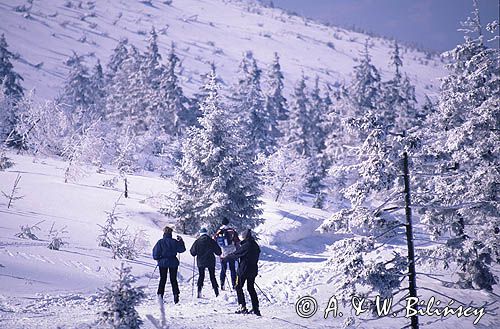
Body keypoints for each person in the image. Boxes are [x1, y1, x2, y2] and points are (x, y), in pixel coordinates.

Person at [224, 228, 261, 316]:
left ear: (245, 237)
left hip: (243, 270)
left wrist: (226, 258)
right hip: (253, 270)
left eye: (242, 237)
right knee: (250, 288)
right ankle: (256, 309)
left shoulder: (246, 245)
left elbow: (237, 253)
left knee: (238, 287)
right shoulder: (255, 245)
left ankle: (242, 306)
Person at [152, 225, 186, 304]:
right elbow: (182, 250)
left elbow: (155, 253)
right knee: (173, 279)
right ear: (171, 233)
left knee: (163, 279)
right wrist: (181, 241)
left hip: (163, 262)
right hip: (173, 261)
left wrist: (158, 259)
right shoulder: (174, 242)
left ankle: (160, 295)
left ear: (164, 232)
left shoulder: (160, 242)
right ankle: (176, 295)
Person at [190, 227, 222, 298]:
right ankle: (216, 292)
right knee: (212, 276)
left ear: (200, 234)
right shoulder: (211, 240)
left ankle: (199, 291)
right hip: (211, 261)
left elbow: (192, 253)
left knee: (201, 276)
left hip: (201, 261)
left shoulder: (197, 241)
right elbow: (218, 252)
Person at [213, 217, 240, 290]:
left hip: (223, 253)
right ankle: (234, 284)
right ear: (228, 223)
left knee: (223, 269)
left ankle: (222, 284)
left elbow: (214, 241)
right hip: (232, 253)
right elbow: (237, 242)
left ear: (222, 223)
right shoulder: (232, 231)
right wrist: (238, 252)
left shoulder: (219, 231)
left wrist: (218, 251)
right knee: (232, 269)